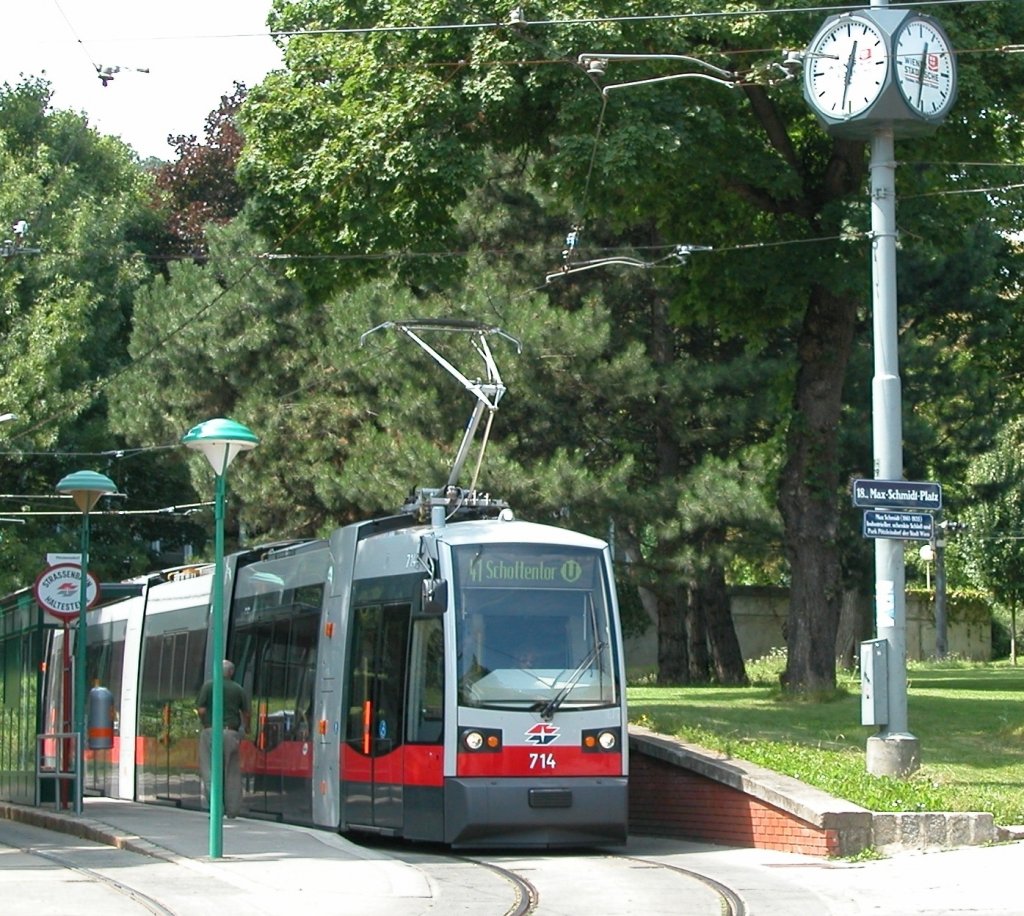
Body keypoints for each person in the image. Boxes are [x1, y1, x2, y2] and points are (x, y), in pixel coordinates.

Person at [196, 659, 251, 818]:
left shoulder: (208, 686)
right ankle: (232, 810)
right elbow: (246, 713)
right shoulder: (238, 689)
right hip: (231, 733)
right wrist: (247, 727)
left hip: (211, 732)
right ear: (231, 672)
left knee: (210, 772)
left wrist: (206, 722)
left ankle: (216, 809)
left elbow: (200, 709)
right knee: (232, 772)